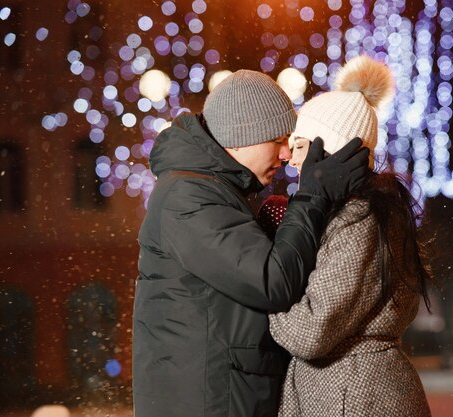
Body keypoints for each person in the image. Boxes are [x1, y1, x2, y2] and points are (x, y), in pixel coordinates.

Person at [132, 70, 369, 417]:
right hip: (207, 402)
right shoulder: (188, 197)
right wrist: (312, 197)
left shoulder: (215, 190)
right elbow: (274, 282)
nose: (286, 154)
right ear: (241, 137)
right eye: (277, 140)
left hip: (223, 395)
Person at [268, 55, 434, 416]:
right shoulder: (364, 212)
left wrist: (263, 291)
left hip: (355, 396)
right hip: (353, 389)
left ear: (328, 151)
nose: (291, 161)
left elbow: (311, 332)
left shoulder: (358, 217)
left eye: (300, 146)